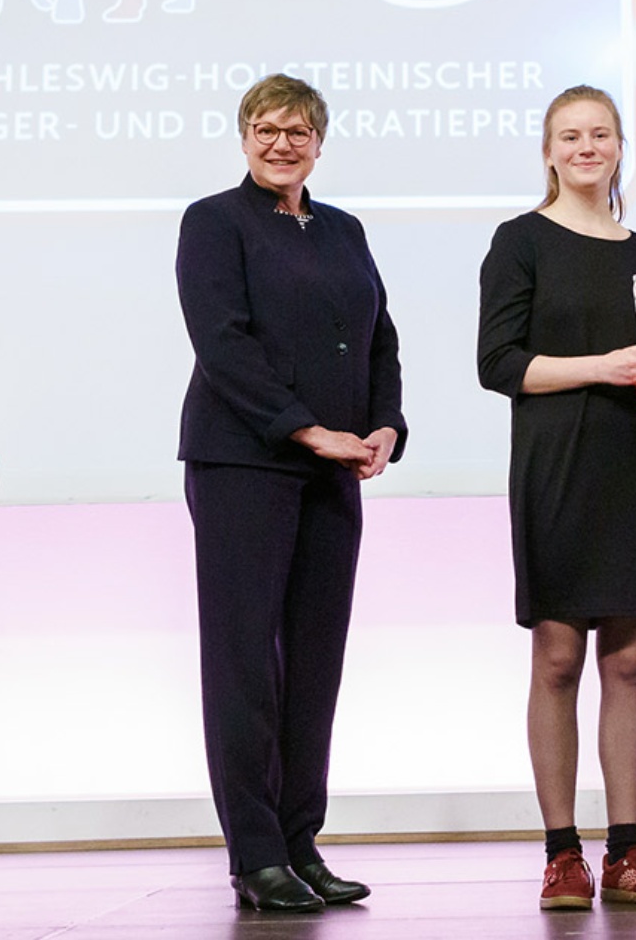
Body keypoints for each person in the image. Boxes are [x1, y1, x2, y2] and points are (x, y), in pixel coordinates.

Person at [176, 74, 407, 913]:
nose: (283, 143)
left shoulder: (344, 229)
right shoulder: (213, 221)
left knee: (315, 663)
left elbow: (379, 333)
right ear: (243, 137)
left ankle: (301, 840)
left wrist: (384, 424)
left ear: (320, 140)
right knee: (245, 664)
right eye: (267, 129)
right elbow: (223, 344)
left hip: (336, 469)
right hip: (244, 463)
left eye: (299, 130)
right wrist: (310, 429)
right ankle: (255, 851)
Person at [477, 85, 636, 911]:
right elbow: (499, 364)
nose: (586, 146)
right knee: (560, 658)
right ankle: (561, 852)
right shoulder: (519, 241)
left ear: (618, 147)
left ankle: (629, 851)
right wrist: (602, 365)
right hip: (557, 462)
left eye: (600, 133)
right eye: (569, 135)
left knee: (631, 662)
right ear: (547, 149)